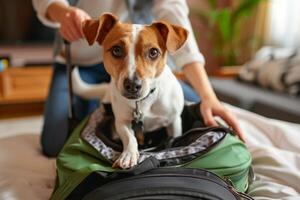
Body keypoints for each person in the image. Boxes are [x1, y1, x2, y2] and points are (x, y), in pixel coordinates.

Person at [32, 0, 245, 157]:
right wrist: (62, 12)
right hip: (79, 61)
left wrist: (208, 96)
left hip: (150, 74)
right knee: (54, 142)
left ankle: (104, 107)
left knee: (194, 111)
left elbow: (173, 11)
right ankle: (102, 108)